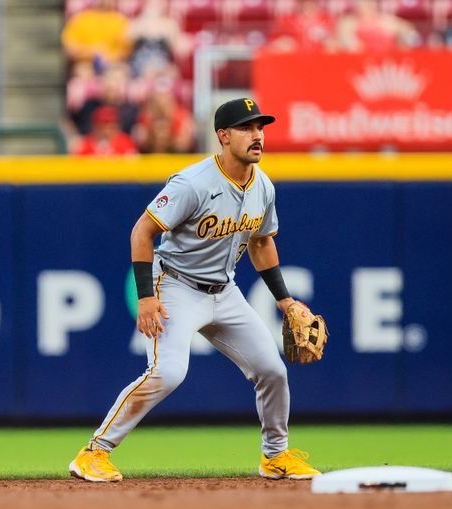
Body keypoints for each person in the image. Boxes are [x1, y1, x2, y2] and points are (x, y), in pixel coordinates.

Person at [69, 98, 321, 482]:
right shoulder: (193, 182)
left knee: (272, 370)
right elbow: (143, 231)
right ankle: (94, 453)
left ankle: (276, 456)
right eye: (247, 128)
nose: (257, 136)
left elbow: (261, 242)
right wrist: (147, 297)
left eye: (260, 128)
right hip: (177, 286)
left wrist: (283, 299)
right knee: (168, 373)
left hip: (226, 291)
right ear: (223, 136)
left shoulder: (263, 186)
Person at [73, 105, 137, 156]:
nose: (106, 132)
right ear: (94, 127)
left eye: (111, 127)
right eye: (101, 127)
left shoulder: (126, 143)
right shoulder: (83, 145)